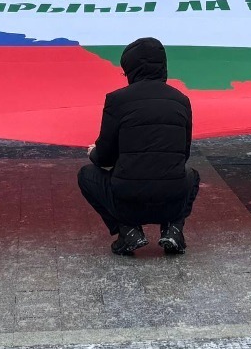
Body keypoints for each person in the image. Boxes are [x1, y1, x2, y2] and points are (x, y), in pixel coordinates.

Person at [78, 36, 198, 256]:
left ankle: (128, 231)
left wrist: (94, 153)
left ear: (131, 70)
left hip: (127, 202)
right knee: (191, 175)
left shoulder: (117, 100)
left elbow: (105, 157)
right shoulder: (181, 100)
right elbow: (184, 154)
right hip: (171, 200)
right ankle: (173, 230)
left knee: (86, 175)